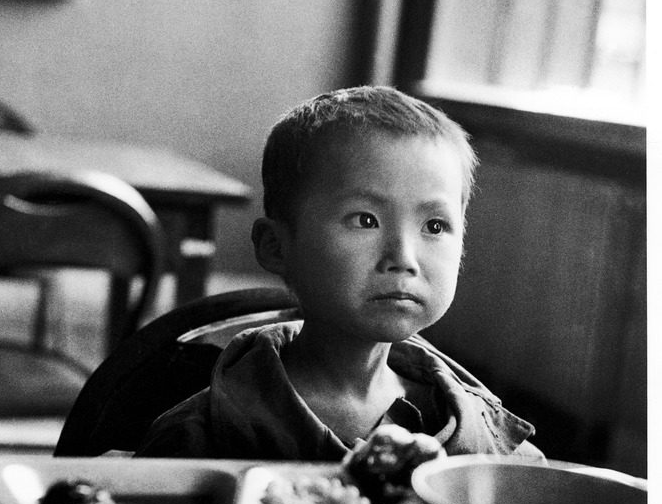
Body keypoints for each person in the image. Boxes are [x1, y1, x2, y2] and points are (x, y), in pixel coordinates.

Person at [136, 85, 543, 466]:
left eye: (434, 226)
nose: (403, 258)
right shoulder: (200, 441)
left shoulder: (481, 436)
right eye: (366, 220)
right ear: (276, 247)